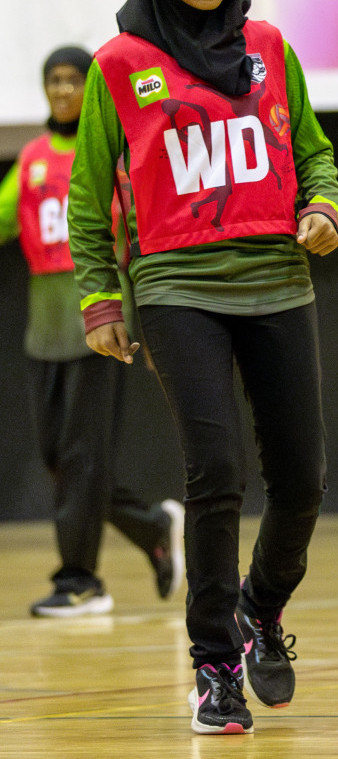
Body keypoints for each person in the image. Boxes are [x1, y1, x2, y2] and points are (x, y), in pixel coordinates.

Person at [70, 0, 338, 733]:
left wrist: (322, 206)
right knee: (215, 475)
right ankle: (215, 667)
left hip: (278, 278)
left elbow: (313, 150)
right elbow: (88, 195)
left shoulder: (269, 47)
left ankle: (263, 604)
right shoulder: (120, 64)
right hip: (176, 287)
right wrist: (100, 299)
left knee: (302, 479)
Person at [0, 45, 183, 618]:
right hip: (44, 328)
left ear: (92, 87)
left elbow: (143, 230)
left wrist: (147, 321)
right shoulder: (31, 158)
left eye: (73, 80)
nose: (62, 90)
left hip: (98, 318)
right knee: (60, 457)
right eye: (53, 79)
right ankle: (150, 526)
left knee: (82, 457)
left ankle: (80, 581)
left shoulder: (110, 153)